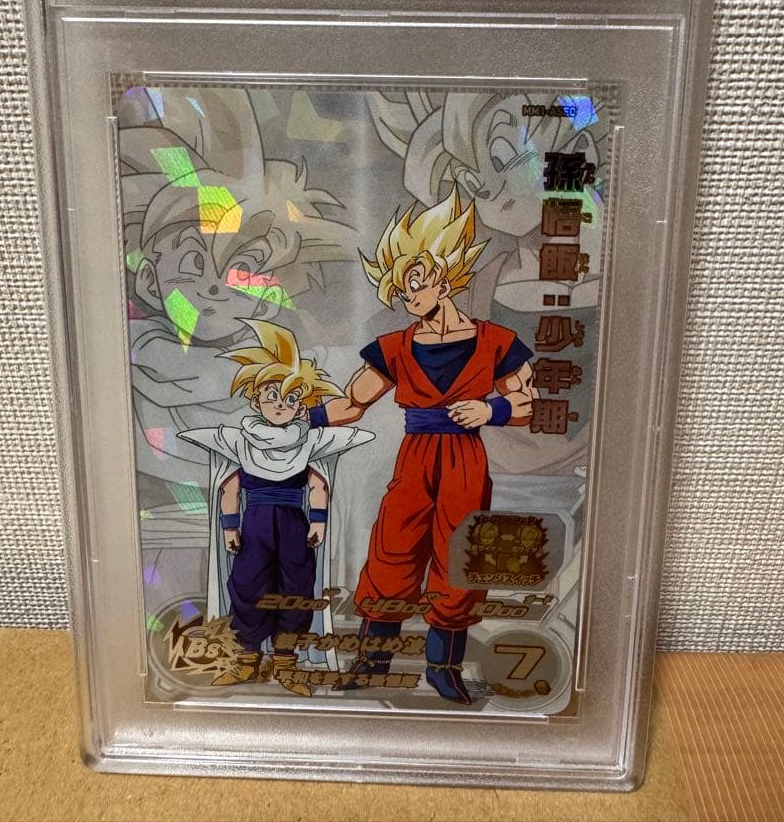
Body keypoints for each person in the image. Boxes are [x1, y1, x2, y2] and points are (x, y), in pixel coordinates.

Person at [308, 187, 534, 704]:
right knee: (391, 552)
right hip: (414, 460)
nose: (405, 295)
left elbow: (527, 403)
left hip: (465, 461)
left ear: (443, 277)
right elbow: (352, 403)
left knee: (459, 558)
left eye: (413, 281)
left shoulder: (496, 341)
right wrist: (304, 418)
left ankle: (443, 669)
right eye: (398, 286)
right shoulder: (395, 346)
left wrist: (491, 411)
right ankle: (371, 664)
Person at [179, 320, 373, 695]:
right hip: (254, 526)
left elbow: (318, 482)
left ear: (301, 404)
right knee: (247, 587)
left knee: (295, 589)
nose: (281, 406)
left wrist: (318, 521)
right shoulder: (240, 439)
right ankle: (246, 661)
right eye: (272, 397)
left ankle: (286, 664)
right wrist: (230, 527)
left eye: (290, 399)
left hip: (293, 525)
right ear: (256, 401)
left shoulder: (308, 440)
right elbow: (230, 485)